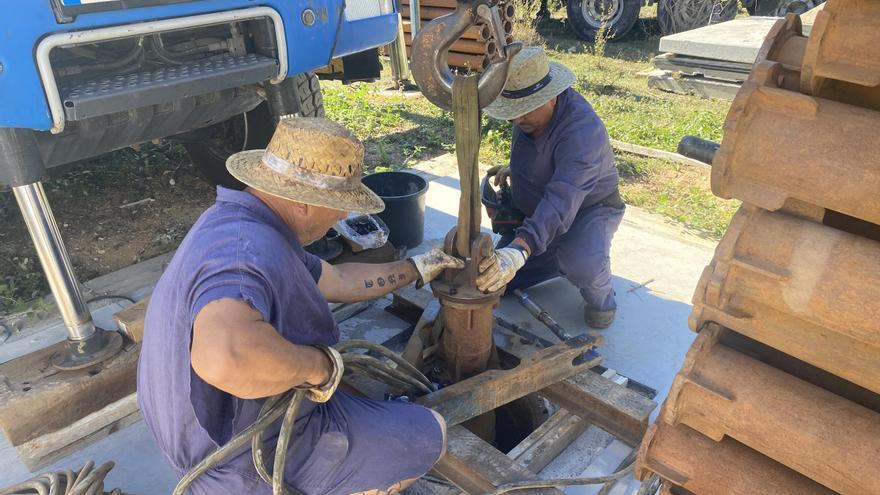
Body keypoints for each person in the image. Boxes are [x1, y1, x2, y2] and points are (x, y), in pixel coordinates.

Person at [137, 117, 464, 495]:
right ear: (304, 203)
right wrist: (319, 368)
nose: (342, 216)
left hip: (200, 437)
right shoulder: (245, 254)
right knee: (429, 433)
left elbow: (338, 280)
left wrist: (420, 267)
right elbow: (223, 357)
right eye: (337, 204)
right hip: (235, 464)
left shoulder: (246, 223)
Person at [476, 46, 624, 329]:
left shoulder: (583, 132)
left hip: (590, 210)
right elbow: (543, 156)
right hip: (542, 213)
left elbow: (563, 198)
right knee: (494, 280)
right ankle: (551, 256)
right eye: (512, 112)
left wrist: (521, 247)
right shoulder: (530, 112)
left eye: (523, 112)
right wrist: (517, 172)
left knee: (582, 263)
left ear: (551, 96)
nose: (516, 120)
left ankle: (603, 297)